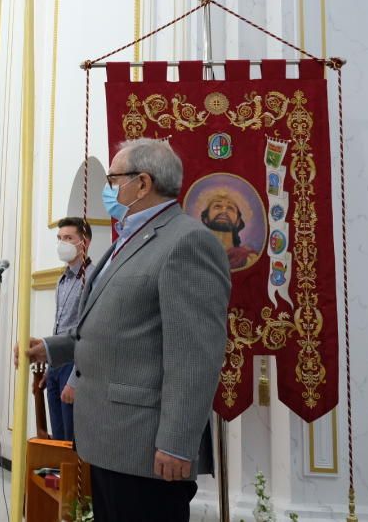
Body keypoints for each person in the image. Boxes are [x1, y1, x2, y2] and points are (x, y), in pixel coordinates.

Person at [18, 138, 230, 522]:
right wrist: (50, 348)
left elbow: (194, 356)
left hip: (146, 446)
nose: (108, 190)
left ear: (143, 184)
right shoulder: (128, 240)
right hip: (108, 438)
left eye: (114, 180)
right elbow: (114, 327)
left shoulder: (186, 242)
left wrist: (177, 443)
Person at [45, 216, 93, 442]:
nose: (62, 243)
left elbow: (90, 334)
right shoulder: (62, 280)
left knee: (72, 440)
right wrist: (50, 365)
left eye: (68, 238)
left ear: (84, 242)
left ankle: (73, 479)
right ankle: (60, 477)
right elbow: (59, 326)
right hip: (57, 366)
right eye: (59, 238)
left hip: (74, 365)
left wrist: (74, 380)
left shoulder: (91, 279)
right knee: (58, 438)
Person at [199, 189, 260, 270]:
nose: (224, 211)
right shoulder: (196, 253)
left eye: (230, 208)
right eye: (217, 206)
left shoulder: (248, 258)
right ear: (206, 218)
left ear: (238, 221)